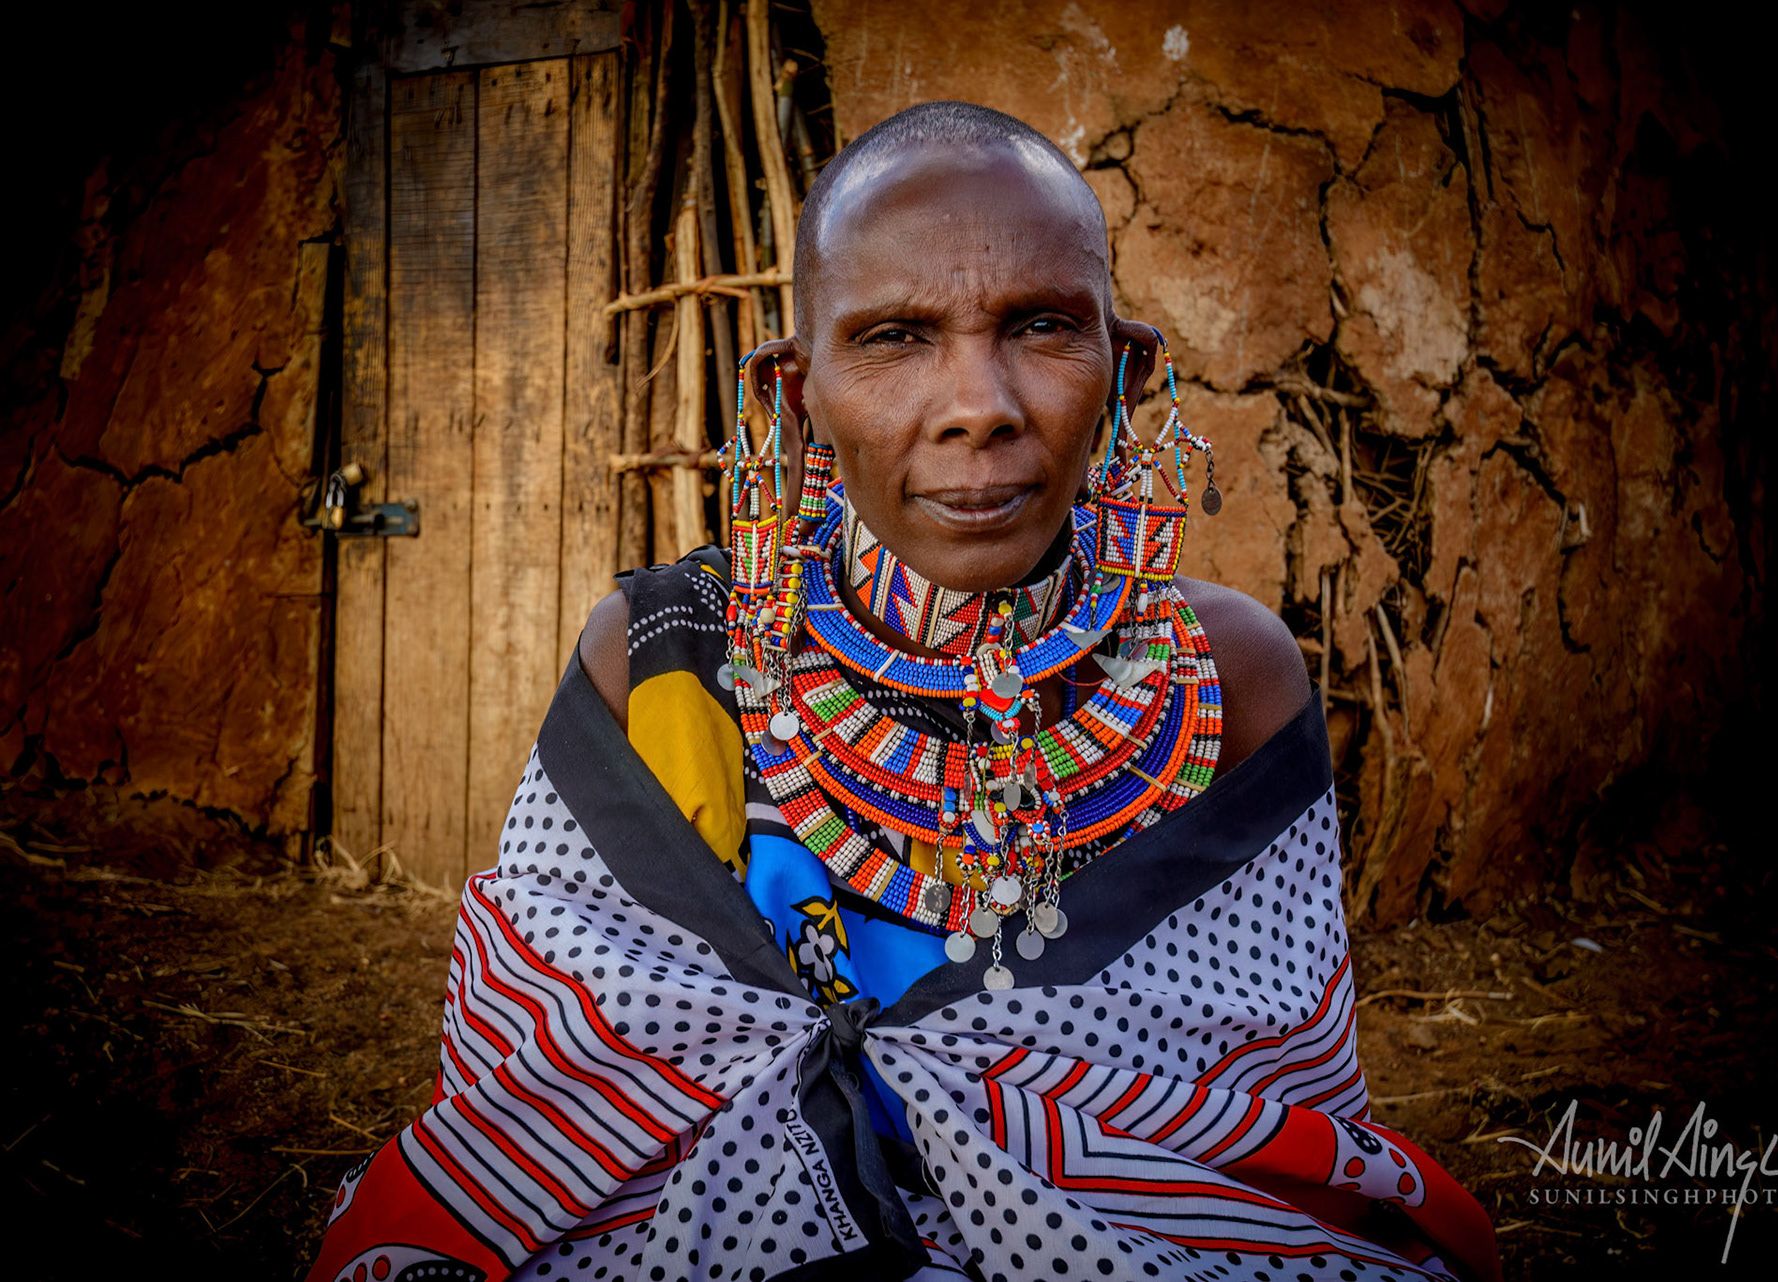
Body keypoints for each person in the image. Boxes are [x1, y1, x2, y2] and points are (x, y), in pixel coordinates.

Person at [308, 102, 1499, 1282]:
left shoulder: (1225, 675)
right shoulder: (671, 660)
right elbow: (556, 1093)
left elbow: (1266, 1121)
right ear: (798, 390)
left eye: (1039, 326)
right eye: (892, 337)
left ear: (1124, 368)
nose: (978, 402)